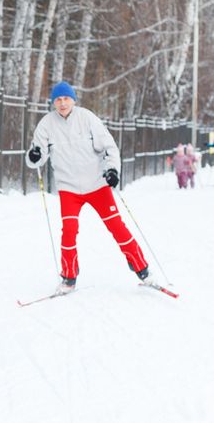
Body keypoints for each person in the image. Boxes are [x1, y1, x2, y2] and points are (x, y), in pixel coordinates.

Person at [25, 81, 155, 294]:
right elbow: (36, 156)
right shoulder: (46, 124)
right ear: (53, 103)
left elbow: (109, 147)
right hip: (69, 188)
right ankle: (69, 277)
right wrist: (33, 156)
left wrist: (112, 170)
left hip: (97, 184)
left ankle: (143, 269)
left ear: (73, 100)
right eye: (58, 100)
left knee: (117, 226)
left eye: (66, 99)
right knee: (68, 231)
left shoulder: (87, 118)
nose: (62, 103)